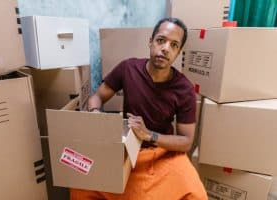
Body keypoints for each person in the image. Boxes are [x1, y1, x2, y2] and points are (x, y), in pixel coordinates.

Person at [70, 17, 207, 200]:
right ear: (150, 42)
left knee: (195, 193)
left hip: (163, 152)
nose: (165, 48)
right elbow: (97, 97)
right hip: (127, 148)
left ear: (178, 52)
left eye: (174, 45)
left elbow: (186, 142)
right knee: (81, 184)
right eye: (161, 40)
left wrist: (150, 135)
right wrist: (95, 113)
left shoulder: (185, 89)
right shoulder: (128, 68)